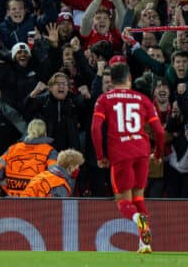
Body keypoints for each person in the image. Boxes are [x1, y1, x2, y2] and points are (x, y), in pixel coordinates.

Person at [90, 63, 165, 254]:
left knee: (123, 202)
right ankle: (145, 243)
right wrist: (157, 154)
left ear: (111, 80)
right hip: (141, 152)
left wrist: (100, 156)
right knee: (139, 198)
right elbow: (159, 131)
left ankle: (137, 220)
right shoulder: (143, 99)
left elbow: (95, 129)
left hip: (120, 154)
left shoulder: (104, 99)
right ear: (129, 78)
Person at [0, 119, 58, 197]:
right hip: (37, 200)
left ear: (28, 131)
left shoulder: (12, 149)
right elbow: (54, 174)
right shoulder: (50, 151)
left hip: (13, 198)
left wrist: (7, 186)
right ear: (44, 132)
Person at [20, 149, 84, 198]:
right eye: (77, 166)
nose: (78, 169)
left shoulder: (45, 174)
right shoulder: (60, 185)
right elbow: (55, 210)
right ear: (70, 167)